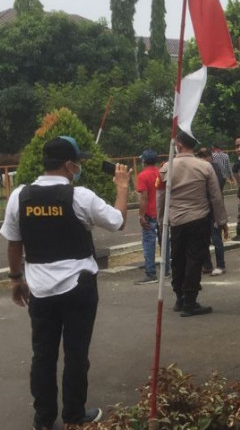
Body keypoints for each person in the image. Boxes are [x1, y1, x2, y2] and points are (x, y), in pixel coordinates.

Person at [1, 136, 131, 429]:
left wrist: (16, 279)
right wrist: (122, 187)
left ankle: (43, 419)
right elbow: (118, 221)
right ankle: (74, 414)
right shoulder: (81, 196)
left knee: (43, 355)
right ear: (69, 165)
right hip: (79, 289)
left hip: (40, 291)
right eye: (78, 163)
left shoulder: (20, 196)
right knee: (76, 354)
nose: (79, 168)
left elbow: (13, 244)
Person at [158, 130, 228, 317]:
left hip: (176, 221)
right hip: (199, 218)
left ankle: (180, 298)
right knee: (194, 259)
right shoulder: (204, 166)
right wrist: (221, 221)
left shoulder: (166, 167)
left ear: (179, 144)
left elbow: (161, 197)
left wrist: (161, 220)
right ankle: (190, 301)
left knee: (178, 258)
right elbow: (215, 197)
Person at [197, 147, 227, 276]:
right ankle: (207, 264)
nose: (203, 159)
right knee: (203, 238)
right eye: (201, 156)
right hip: (202, 208)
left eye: (205, 156)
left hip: (214, 208)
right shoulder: (200, 168)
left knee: (216, 238)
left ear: (210, 156)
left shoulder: (214, 168)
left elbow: (218, 186)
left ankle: (221, 265)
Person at [135, 149, 162, 284]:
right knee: (165, 243)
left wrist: (141, 215)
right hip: (161, 213)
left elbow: (144, 198)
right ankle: (167, 270)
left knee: (149, 244)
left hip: (150, 214)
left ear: (144, 161)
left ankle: (151, 274)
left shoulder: (142, 176)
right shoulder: (160, 173)